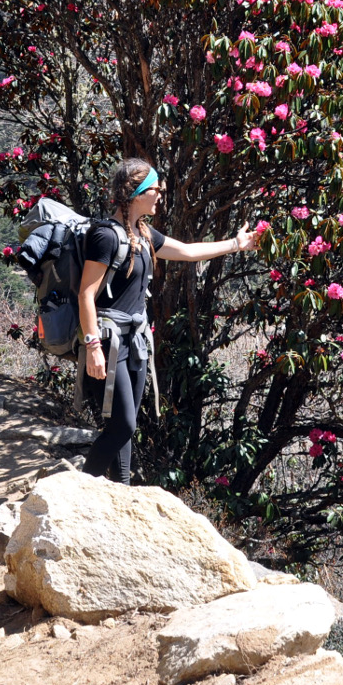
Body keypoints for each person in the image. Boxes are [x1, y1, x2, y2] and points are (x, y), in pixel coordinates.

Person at [77, 157, 257, 484]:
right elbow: (86, 295)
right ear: (134, 193)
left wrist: (236, 244)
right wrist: (92, 347)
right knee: (124, 425)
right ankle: (80, 487)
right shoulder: (105, 236)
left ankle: (122, 491)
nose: (160, 195)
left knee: (125, 425)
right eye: (155, 190)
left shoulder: (144, 234)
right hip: (108, 342)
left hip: (135, 342)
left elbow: (188, 251)